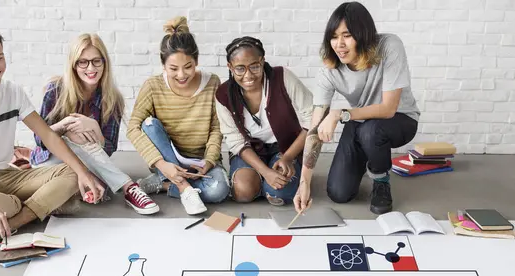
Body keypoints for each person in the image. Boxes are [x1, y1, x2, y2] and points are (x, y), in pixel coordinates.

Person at [0, 24, 105, 247]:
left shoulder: (12, 92)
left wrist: (83, 173)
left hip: (6, 175)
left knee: (73, 174)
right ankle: (38, 205)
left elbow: (48, 135)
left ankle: (17, 219)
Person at [295, 1, 420, 215]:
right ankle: (368, 155)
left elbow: (389, 109)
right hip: (359, 122)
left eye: (347, 35)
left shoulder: (390, 46)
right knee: (339, 193)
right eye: (334, 37)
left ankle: (381, 179)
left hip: (400, 119)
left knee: (371, 131)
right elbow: (315, 127)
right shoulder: (329, 70)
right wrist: (304, 181)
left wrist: (340, 114)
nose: (339, 44)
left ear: (363, 35)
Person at [29, 33, 159, 215]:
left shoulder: (113, 100)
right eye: (83, 62)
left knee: (95, 186)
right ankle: (129, 187)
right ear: (73, 65)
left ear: (104, 63)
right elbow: (39, 139)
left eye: (97, 61)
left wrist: (96, 129)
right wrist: (65, 124)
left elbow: (108, 150)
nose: (91, 68)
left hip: (87, 162)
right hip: (50, 162)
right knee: (74, 131)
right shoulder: (56, 90)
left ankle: (80, 186)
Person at [127, 16, 230, 215]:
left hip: (200, 161)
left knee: (219, 191)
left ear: (197, 61)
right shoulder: (153, 86)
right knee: (148, 124)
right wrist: (163, 165)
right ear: (163, 64)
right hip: (169, 159)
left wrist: (208, 162)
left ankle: (163, 185)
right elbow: (133, 128)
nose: (182, 75)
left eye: (188, 66)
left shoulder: (213, 83)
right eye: (173, 68)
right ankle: (182, 187)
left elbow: (217, 128)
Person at [215, 36, 314, 205]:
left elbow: (312, 119)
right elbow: (235, 141)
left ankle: (268, 183)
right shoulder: (223, 94)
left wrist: (288, 157)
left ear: (262, 61)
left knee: (281, 193)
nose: (248, 75)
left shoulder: (283, 77)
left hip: (284, 148)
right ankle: (259, 180)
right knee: (243, 193)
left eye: (254, 66)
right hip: (249, 151)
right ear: (230, 67)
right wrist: (265, 172)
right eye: (240, 68)